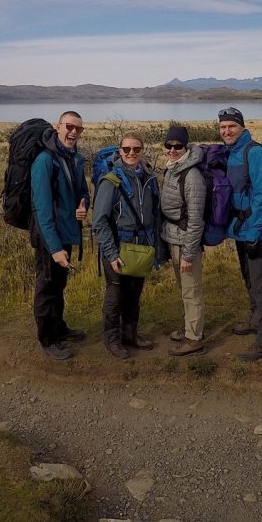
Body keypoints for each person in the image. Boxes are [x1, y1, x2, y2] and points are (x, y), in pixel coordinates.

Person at [92, 132, 161, 360]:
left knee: (134, 293)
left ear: (142, 151)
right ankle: (112, 339)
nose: (131, 153)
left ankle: (130, 334)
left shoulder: (149, 178)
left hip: (141, 248)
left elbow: (154, 215)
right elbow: (99, 221)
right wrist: (111, 254)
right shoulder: (111, 181)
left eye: (136, 149)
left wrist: (156, 249)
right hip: (118, 248)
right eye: (127, 149)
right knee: (115, 295)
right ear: (119, 151)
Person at [219, 107, 262, 362]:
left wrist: (254, 233)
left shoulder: (255, 153)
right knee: (249, 279)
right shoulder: (233, 152)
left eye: (231, 126)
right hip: (243, 231)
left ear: (242, 127)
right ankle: (255, 321)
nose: (226, 131)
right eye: (222, 127)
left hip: (258, 232)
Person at [30, 110, 89, 361]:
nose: (73, 132)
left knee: (59, 285)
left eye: (78, 129)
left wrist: (83, 204)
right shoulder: (45, 161)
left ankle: (59, 327)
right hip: (49, 239)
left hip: (66, 233)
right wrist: (54, 248)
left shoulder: (74, 159)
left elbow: (83, 191)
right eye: (69, 126)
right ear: (58, 127)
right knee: (47, 288)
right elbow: (42, 209)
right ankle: (47, 339)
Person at [159, 124, 208, 357]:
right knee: (184, 288)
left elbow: (196, 219)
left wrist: (189, 253)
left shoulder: (192, 176)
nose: (172, 149)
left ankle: (194, 338)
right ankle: (191, 327)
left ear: (185, 147)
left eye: (177, 146)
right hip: (174, 239)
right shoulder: (173, 169)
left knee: (191, 290)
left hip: (186, 242)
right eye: (168, 145)